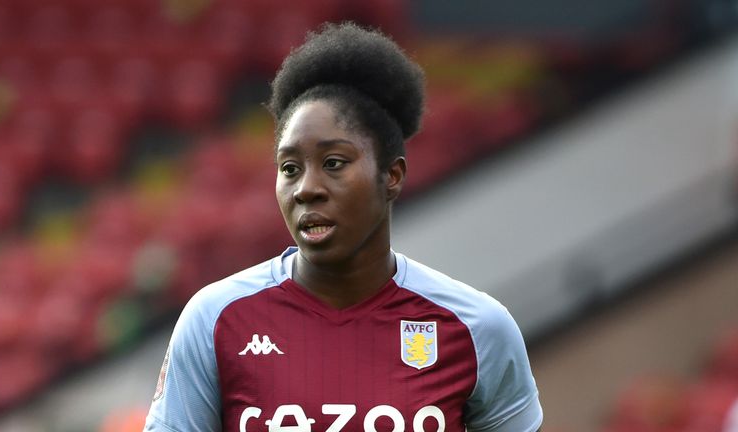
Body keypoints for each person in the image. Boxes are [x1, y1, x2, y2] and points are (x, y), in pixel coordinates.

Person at [144, 22, 543, 432]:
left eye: (333, 163)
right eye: (289, 169)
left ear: (391, 175)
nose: (306, 189)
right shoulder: (215, 319)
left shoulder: (477, 328)